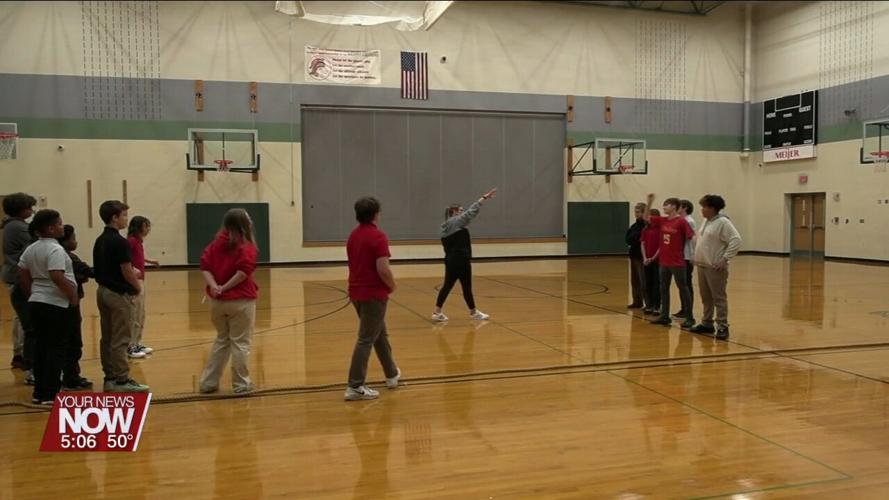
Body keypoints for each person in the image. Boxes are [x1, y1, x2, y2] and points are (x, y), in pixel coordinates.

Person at [17, 210, 78, 405]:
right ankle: (51, 393)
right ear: (51, 228)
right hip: (56, 304)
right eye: (60, 224)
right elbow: (57, 275)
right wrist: (72, 295)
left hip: (37, 302)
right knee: (56, 348)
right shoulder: (55, 250)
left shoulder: (31, 249)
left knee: (41, 347)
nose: (62, 227)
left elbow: (22, 273)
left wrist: (32, 294)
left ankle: (39, 392)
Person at [344, 196, 400, 401]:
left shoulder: (353, 235)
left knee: (379, 334)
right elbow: (383, 269)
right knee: (366, 338)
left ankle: (391, 374)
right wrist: (392, 286)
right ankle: (355, 386)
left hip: (356, 293)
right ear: (376, 213)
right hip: (373, 295)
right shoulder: (378, 237)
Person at [198, 209, 259, 395]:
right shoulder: (246, 246)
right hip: (240, 300)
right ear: (244, 223)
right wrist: (224, 287)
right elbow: (242, 273)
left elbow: (205, 267)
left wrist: (215, 286)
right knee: (240, 342)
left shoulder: (215, 244)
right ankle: (241, 384)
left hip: (217, 302)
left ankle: (208, 383)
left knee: (222, 340)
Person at [93, 200, 148, 392]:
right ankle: (122, 380)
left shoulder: (100, 240)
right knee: (121, 338)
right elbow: (125, 269)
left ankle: (110, 377)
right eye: (124, 215)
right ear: (114, 218)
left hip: (102, 291)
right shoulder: (119, 241)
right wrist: (136, 286)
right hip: (118, 294)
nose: (126, 219)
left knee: (107, 337)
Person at [431, 188, 497, 322]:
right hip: (461, 260)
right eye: (461, 210)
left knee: (448, 286)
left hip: (450, 260)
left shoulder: (444, 226)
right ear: (454, 212)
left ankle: (437, 312)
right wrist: (483, 198)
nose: (463, 212)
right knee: (466, 287)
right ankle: (473, 313)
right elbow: (471, 212)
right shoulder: (455, 222)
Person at [689, 195, 742, 340]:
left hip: (715, 267)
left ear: (712, 208)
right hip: (702, 265)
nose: (702, 210)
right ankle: (707, 323)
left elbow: (736, 240)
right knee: (706, 297)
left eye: (704, 207)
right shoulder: (706, 221)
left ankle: (722, 326)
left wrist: (725, 259)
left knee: (718, 297)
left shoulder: (723, 222)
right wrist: (696, 255)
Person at [643, 194, 695, 329]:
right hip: (664, 261)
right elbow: (645, 218)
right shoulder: (663, 221)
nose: (664, 207)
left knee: (683, 288)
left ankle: (690, 317)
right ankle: (665, 316)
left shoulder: (682, 221)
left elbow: (692, 237)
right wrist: (649, 202)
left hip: (677, 262)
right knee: (663, 289)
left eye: (666, 204)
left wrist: (694, 255)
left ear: (674, 207)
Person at [2, 192, 36, 374]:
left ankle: (19, 352)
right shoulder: (18, 227)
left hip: (12, 274)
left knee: (19, 317)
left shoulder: (12, 225)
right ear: (21, 209)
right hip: (18, 276)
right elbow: (35, 242)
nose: (31, 211)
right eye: (29, 208)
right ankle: (23, 354)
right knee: (24, 319)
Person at [56, 224, 94, 390]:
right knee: (73, 341)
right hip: (70, 302)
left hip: (60, 302)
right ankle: (71, 378)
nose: (75, 242)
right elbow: (86, 271)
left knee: (66, 340)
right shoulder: (68, 256)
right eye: (73, 238)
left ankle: (69, 375)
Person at [126, 216, 159, 359]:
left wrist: (148, 260)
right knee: (134, 314)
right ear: (138, 227)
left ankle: (137, 342)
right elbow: (125, 258)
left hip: (141, 280)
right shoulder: (131, 241)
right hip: (135, 281)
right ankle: (130, 345)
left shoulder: (138, 242)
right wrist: (133, 269)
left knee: (141, 313)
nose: (148, 229)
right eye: (146, 226)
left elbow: (138, 256)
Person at [673, 199, 697, 319]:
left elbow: (692, 239)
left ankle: (688, 310)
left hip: (687, 256)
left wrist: (693, 255)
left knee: (686, 284)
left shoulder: (689, 221)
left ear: (685, 208)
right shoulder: (681, 220)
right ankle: (684, 309)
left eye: (679, 206)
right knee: (681, 284)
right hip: (681, 256)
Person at [625, 202, 647, 309]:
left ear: (644, 213)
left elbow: (640, 239)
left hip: (641, 256)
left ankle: (648, 303)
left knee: (643, 280)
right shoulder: (634, 226)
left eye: (638, 212)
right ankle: (637, 301)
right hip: (633, 255)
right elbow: (628, 239)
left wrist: (635, 239)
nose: (636, 214)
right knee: (634, 280)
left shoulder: (646, 226)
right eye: (635, 212)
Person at [641, 208, 662, 316]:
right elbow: (643, 243)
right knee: (648, 283)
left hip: (657, 260)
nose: (647, 218)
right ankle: (649, 305)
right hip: (647, 260)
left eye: (650, 216)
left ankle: (657, 306)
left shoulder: (661, 230)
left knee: (657, 284)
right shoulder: (645, 229)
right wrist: (645, 258)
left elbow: (661, 246)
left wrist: (653, 258)